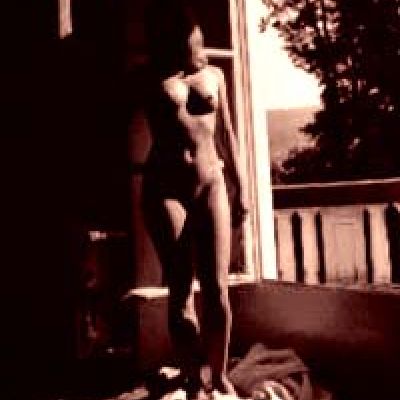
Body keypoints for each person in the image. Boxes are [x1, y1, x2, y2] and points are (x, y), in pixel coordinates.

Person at [142, 1, 247, 398]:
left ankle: (218, 377)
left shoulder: (215, 76)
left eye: (197, 41)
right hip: (167, 190)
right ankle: (191, 380)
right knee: (181, 288)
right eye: (187, 42)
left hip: (211, 183)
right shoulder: (149, 77)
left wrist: (241, 189)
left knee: (217, 288)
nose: (196, 47)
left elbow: (228, 137)